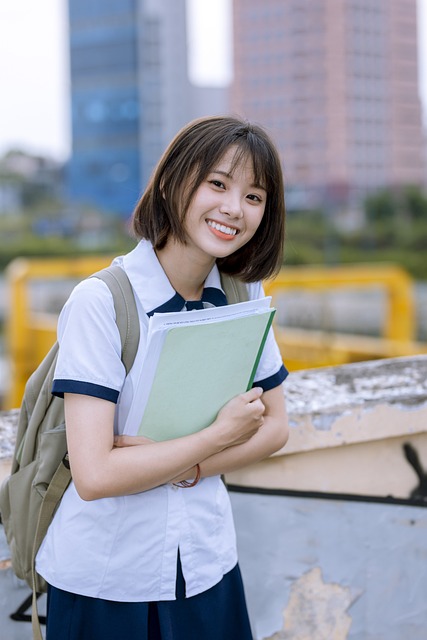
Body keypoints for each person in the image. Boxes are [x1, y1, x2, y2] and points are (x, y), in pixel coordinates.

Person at [36, 115, 289, 640]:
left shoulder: (246, 295)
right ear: (175, 181)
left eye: (254, 196)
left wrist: (188, 466)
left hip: (206, 566)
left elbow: (276, 427)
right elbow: (96, 475)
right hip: (106, 583)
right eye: (217, 184)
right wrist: (217, 436)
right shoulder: (102, 301)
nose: (233, 209)